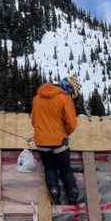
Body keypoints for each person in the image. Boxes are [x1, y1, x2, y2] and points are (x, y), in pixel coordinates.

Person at [31, 76, 81, 205]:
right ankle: (72, 193)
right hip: (59, 141)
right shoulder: (65, 98)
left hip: (42, 142)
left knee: (50, 169)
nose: (70, 93)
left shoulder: (37, 98)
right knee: (65, 169)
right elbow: (72, 123)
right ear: (67, 87)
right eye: (70, 91)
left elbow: (34, 121)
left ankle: (54, 193)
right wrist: (64, 134)